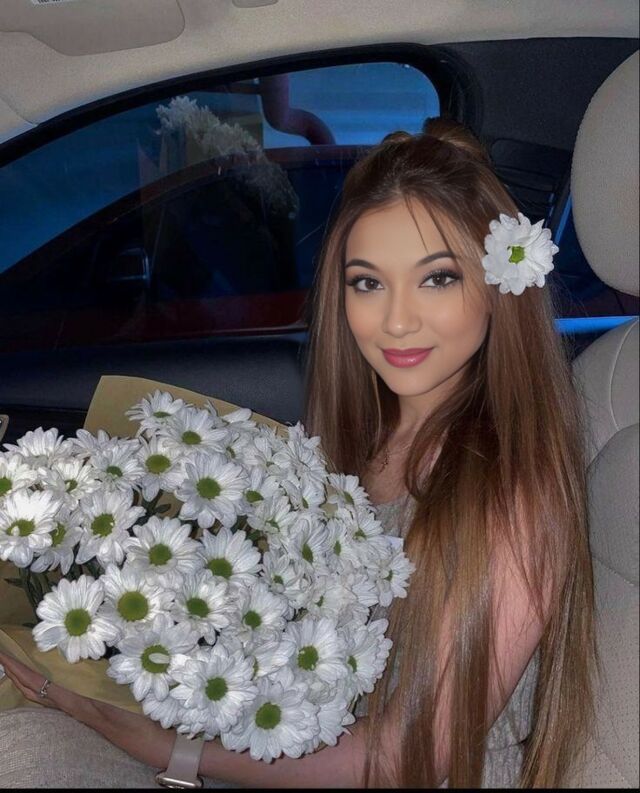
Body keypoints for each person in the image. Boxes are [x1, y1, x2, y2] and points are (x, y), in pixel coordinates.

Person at [0, 119, 595, 788]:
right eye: (367, 283)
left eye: (437, 279)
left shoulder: (511, 497)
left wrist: (164, 746)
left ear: (498, 287)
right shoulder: (354, 440)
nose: (397, 320)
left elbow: (406, 756)